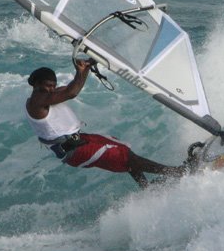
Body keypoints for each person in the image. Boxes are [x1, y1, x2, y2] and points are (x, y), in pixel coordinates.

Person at [25, 59, 197, 188]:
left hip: (80, 140)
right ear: (36, 84)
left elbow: (71, 87)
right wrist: (81, 70)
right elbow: (72, 92)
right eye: (48, 85)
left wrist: (87, 67)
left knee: (123, 149)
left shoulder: (49, 95)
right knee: (126, 158)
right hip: (74, 151)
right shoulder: (37, 101)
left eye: (53, 85)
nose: (52, 89)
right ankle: (179, 172)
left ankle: (147, 188)